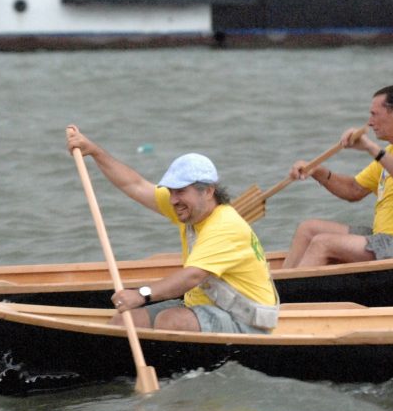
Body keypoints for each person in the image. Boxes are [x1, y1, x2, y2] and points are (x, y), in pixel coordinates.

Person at [66, 126, 279, 334]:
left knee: (170, 321)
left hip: (246, 322)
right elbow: (134, 184)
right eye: (170, 192)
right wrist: (95, 152)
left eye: (180, 192)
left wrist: (142, 294)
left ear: (208, 191)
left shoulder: (226, 226)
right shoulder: (190, 209)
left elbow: (192, 277)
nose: (174, 200)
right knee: (125, 320)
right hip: (201, 307)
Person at [282, 85, 393, 268]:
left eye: (375, 114)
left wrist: (371, 148)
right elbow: (353, 189)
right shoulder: (392, 151)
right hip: (385, 239)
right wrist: (316, 171)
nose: (369, 122)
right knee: (308, 229)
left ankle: (293, 293)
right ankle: (276, 289)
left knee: (322, 243)